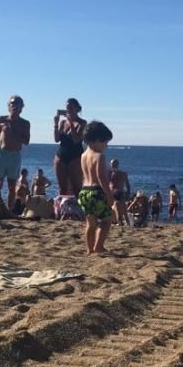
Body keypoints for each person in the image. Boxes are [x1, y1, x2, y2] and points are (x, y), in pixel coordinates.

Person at [77, 121, 115, 254]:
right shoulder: (99, 156)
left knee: (91, 223)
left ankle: (89, 249)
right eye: (105, 143)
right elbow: (101, 177)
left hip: (84, 192)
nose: (106, 146)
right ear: (97, 140)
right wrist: (109, 194)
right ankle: (99, 246)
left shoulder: (83, 156)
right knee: (107, 219)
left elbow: (84, 175)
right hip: (97, 192)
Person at [0, 95, 30, 209]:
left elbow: (26, 141)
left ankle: (9, 210)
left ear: (22, 108)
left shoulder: (25, 123)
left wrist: (15, 131)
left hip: (14, 156)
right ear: (8, 106)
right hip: (1, 154)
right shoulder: (1, 120)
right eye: (13, 103)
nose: (15, 106)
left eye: (18, 104)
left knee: (11, 186)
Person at [53, 98, 86, 196]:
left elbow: (76, 139)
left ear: (77, 109)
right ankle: (63, 209)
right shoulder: (63, 123)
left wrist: (71, 122)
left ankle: (78, 210)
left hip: (75, 157)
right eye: (67, 108)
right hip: (61, 156)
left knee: (76, 188)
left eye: (71, 108)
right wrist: (55, 124)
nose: (68, 110)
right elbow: (56, 139)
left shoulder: (82, 123)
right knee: (62, 188)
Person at [109, 158, 131, 225]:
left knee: (117, 209)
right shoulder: (123, 174)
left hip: (114, 193)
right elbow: (128, 185)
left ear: (111, 165)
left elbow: (105, 183)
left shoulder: (109, 173)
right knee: (123, 210)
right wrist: (128, 194)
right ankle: (127, 223)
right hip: (120, 192)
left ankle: (121, 223)